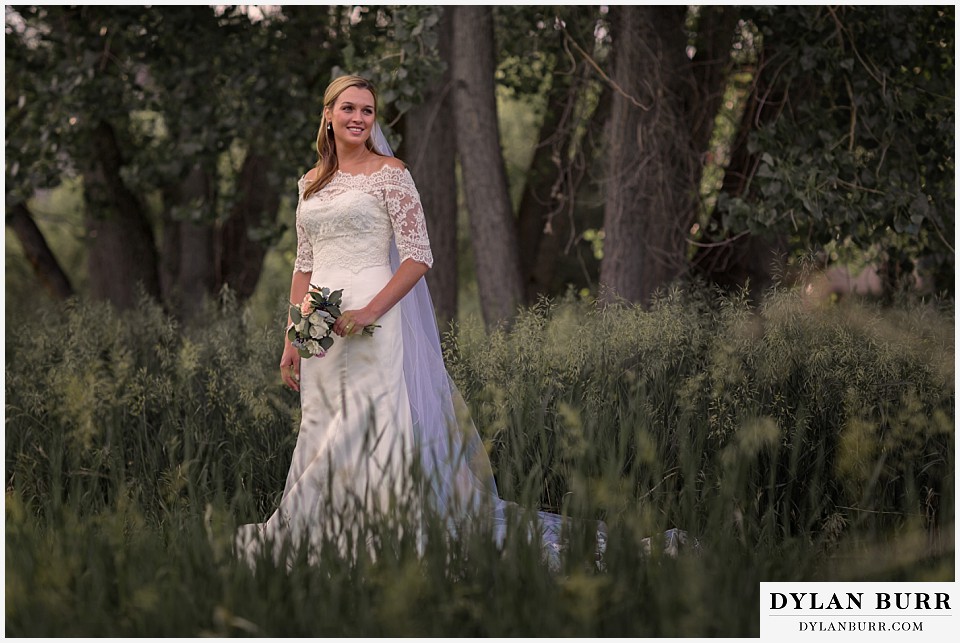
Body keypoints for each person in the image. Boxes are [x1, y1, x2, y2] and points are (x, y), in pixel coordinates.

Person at [236, 74, 683, 570]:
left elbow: (418, 257)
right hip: (319, 327)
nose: (359, 118)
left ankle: (386, 528)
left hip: (375, 318)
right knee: (323, 425)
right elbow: (304, 264)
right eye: (348, 108)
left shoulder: (392, 173)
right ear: (328, 114)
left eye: (367, 110)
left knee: (376, 423)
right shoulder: (310, 183)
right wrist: (293, 335)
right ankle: (325, 526)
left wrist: (369, 311)